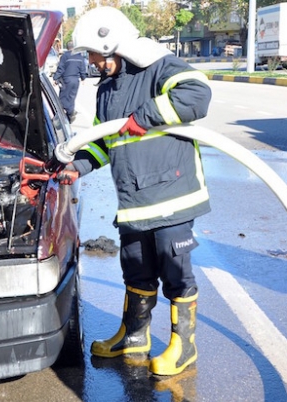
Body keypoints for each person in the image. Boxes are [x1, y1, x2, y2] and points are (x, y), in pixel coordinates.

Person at [68, 7, 212, 376]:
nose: (91, 62)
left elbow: (197, 95)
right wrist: (76, 167)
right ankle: (135, 337)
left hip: (172, 196)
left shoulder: (160, 67)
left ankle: (184, 346)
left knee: (176, 272)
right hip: (133, 203)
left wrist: (144, 116)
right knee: (136, 269)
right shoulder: (107, 89)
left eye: (94, 54)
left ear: (111, 44)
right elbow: (103, 141)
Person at [52, 41, 87, 123]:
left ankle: (69, 113)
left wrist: (55, 78)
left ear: (67, 48)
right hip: (75, 81)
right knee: (71, 97)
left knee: (63, 98)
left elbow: (61, 69)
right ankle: (70, 114)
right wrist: (83, 78)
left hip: (66, 80)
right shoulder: (80, 57)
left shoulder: (65, 56)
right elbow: (83, 69)